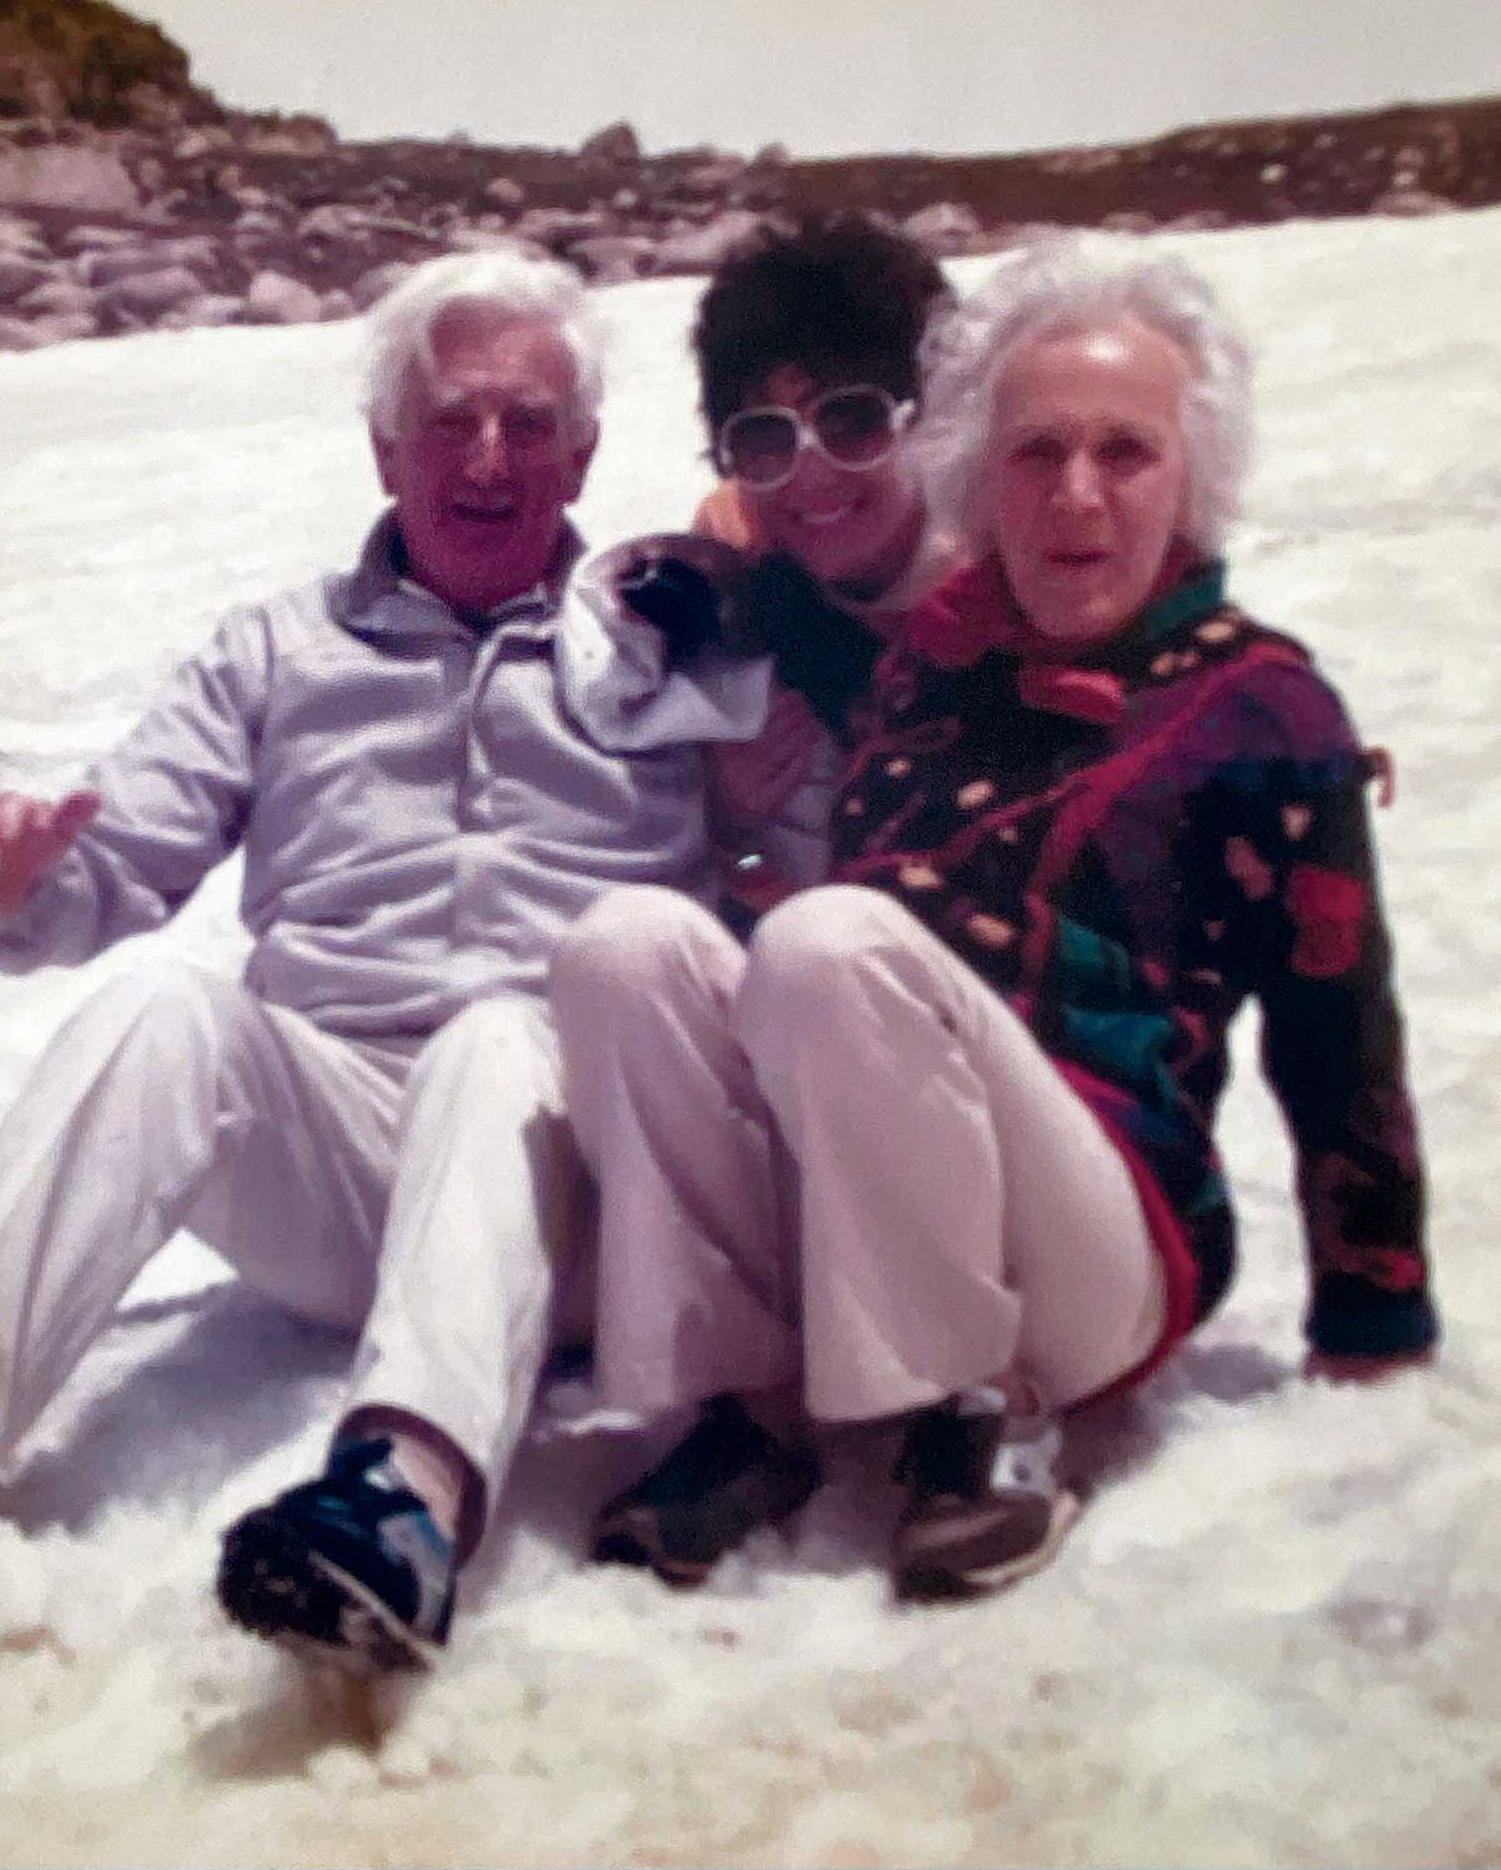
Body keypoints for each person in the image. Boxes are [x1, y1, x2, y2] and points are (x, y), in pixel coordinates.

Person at [0, 250, 733, 1684]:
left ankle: (406, 1501)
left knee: (500, 1038)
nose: (489, 456)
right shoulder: (279, 649)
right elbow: (113, 865)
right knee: (164, 1002)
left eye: (530, 423)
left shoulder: (668, 634)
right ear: (384, 444)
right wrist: (20, 881)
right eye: (452, 419)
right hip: (340, 1160)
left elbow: (809, 841)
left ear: (582, 449)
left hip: (577, 1180)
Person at [549, 239, 1437, 1599]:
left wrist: (1372, 1309)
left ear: (1193, 477)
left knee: (832, 938)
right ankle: (748, 1403)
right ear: (979, 470)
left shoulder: (1263, 707)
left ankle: (985, 1411)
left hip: (1100, 1238)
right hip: (891, 1191)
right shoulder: (933, 658)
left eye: (1124, 452)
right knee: (627, 946)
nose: (1074, 495)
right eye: (1034, 455)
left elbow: (1339, 1027)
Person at [608, 215, 955, 912]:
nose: (811, 471)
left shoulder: (1022, 591)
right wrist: (726, 820)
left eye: (852, 420)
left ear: (933, 414)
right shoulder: (741, 601)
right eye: (766, 436)